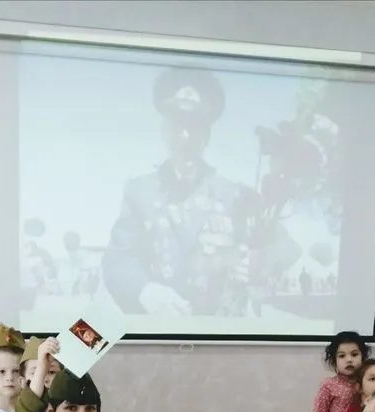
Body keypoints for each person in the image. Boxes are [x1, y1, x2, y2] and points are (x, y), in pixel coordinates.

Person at [100, 67, 263, 320]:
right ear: (164, 132)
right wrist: (145, 291)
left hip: (214, 329)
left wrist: (254, 266)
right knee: (79, 338)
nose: (185, 137)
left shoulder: (232, 195)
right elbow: (118, 259)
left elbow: (252, 257)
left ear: (207, 135)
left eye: (194, 128)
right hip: (155, 326)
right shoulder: (140, 192)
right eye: (177, 126)